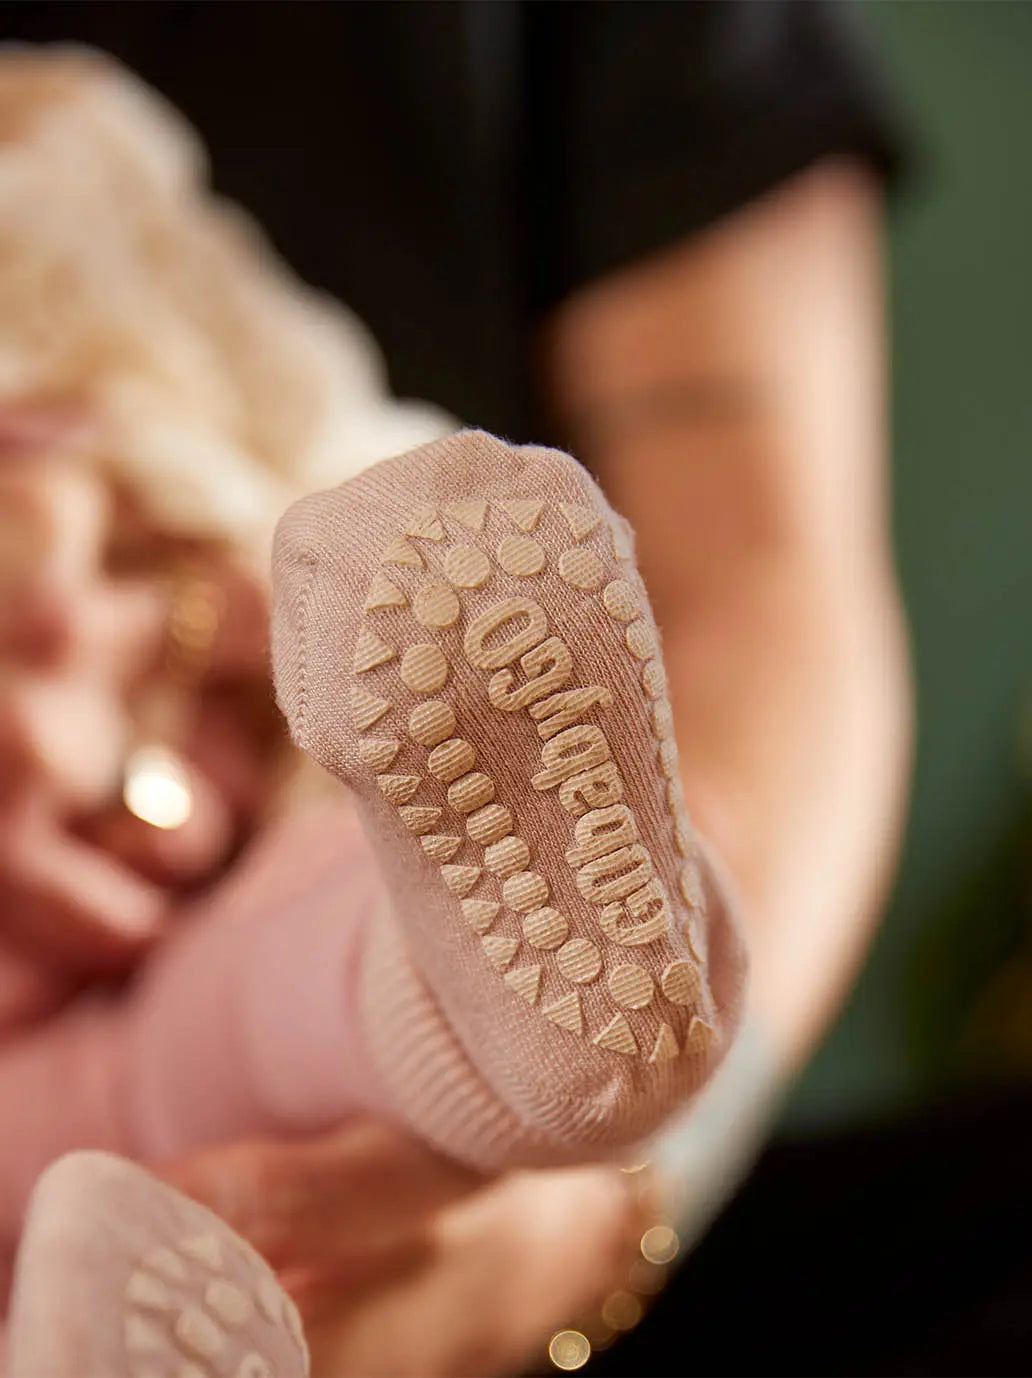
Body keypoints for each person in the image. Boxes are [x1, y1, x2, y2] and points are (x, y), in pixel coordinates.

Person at [0, 5, 910, 1374]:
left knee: (266, 994)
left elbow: (770, 582)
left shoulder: (53, 186)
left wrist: (223, 572)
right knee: (238, 1042)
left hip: (196, 875)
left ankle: (520, 964)